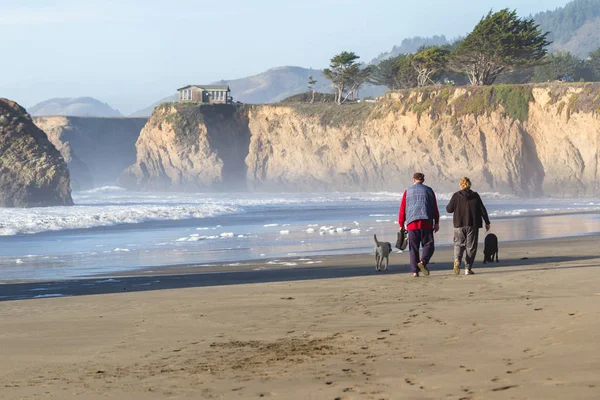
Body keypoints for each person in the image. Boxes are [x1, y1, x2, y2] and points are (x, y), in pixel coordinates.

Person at [445, 177, 491, 276]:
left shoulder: (456, 196)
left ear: (460, 185)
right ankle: (468, 268)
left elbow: (449, 209)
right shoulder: (475, 195)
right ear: (469, 184)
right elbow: (482, 210)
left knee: (459, 244)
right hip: (473, 225)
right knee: (471, 247)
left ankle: (457, 259)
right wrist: (487, 222)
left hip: (459, 225)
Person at [398, 172, 440, 277]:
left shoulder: (407, 192)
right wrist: (436, 222)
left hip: (412, 223)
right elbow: (434, 207)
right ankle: (422, 262)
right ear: (423, 180)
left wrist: (401, 223)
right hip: (426, 222)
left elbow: (403, 208)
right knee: (429, 245)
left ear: (414, 179)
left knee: (413, 248)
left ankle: (414, 271)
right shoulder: (429, 190)